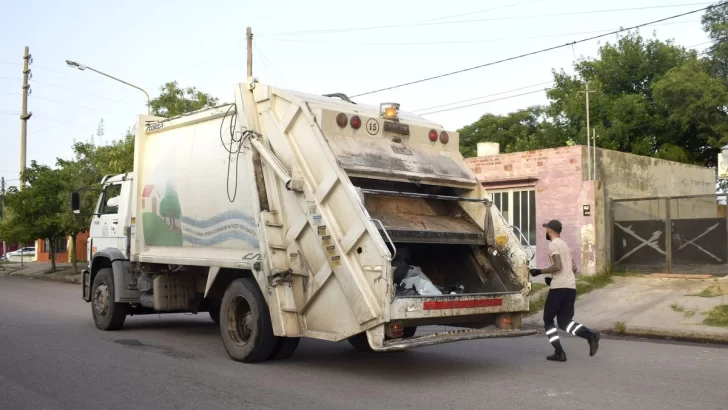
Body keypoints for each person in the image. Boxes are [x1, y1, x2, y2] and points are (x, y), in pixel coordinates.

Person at [529, 220, 600, 362]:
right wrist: (553, 278)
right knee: (564, 322)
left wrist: (539, 271)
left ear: (550, 230)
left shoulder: (553, 244)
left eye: (546, 229)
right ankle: (590, 335)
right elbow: (573, 268)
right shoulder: (564, 245)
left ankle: (559, 352)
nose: (545, 232)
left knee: (548, 320)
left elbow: (558, 266)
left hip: (559, 288)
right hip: (570, 287)